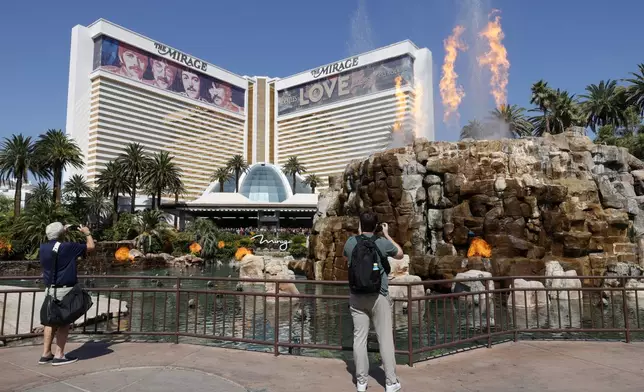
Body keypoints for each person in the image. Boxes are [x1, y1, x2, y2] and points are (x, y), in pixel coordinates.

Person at [343, 212, 404, 392]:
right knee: (384, 339)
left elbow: (346, 258)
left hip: (356, 296)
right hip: (379, 295)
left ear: (360, 225)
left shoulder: (350, 242)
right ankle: (391, 382)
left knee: (359, 339)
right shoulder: (381, 242)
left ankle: (361, 382)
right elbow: (400, 254)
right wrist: (386, 234)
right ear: (377, 225)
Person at [38, 222, 95, 366]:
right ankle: (59, 355)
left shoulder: (43, 248)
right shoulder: (68, 247)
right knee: (64, 322)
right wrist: (87, 232)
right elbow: (91, 247)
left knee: (49, 322)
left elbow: (56, 247)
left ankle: (45, 354)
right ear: (62, 233)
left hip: (50, 289)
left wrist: (61, 232)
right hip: (65, 290)